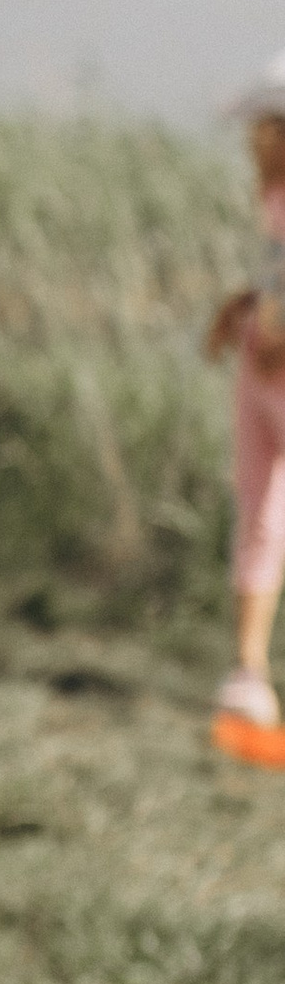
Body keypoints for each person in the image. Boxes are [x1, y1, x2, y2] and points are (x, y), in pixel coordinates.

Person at [208, 51, 285, 763]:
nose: (249, 142)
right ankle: (248, 671)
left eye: (259, 128)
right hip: (261, 373)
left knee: (266, 515)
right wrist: (244, 308)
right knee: (257, 513)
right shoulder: (274, 196)